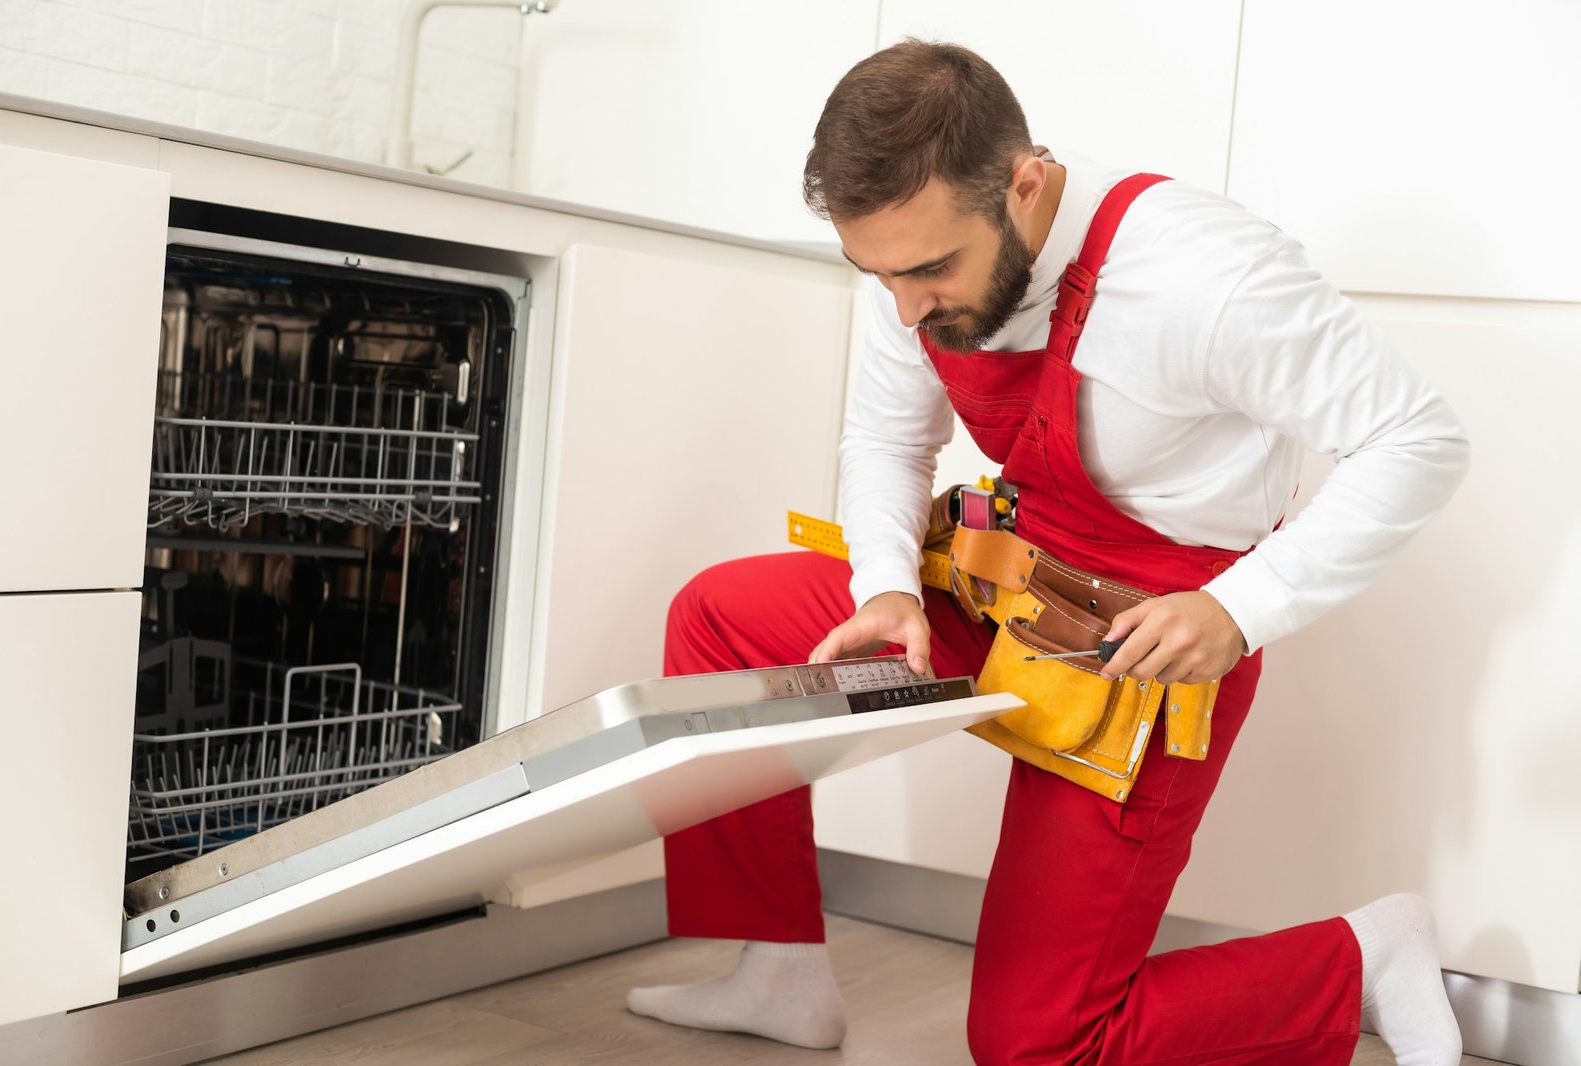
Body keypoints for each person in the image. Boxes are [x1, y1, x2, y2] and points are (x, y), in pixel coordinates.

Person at [626, 39, 1469, 1066]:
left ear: (1024, 186)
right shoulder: (915, 260)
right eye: (877, 274)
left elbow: (1417, 438)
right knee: (721, 614)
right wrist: (889, 589)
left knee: (1039, 1042)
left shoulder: (1207, 274)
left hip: (1138, 651)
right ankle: (780, 970)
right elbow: (890, 438)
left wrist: (1240, 610)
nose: (903, 309)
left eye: (930, 271)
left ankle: (1364, 956)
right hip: (996, 585)